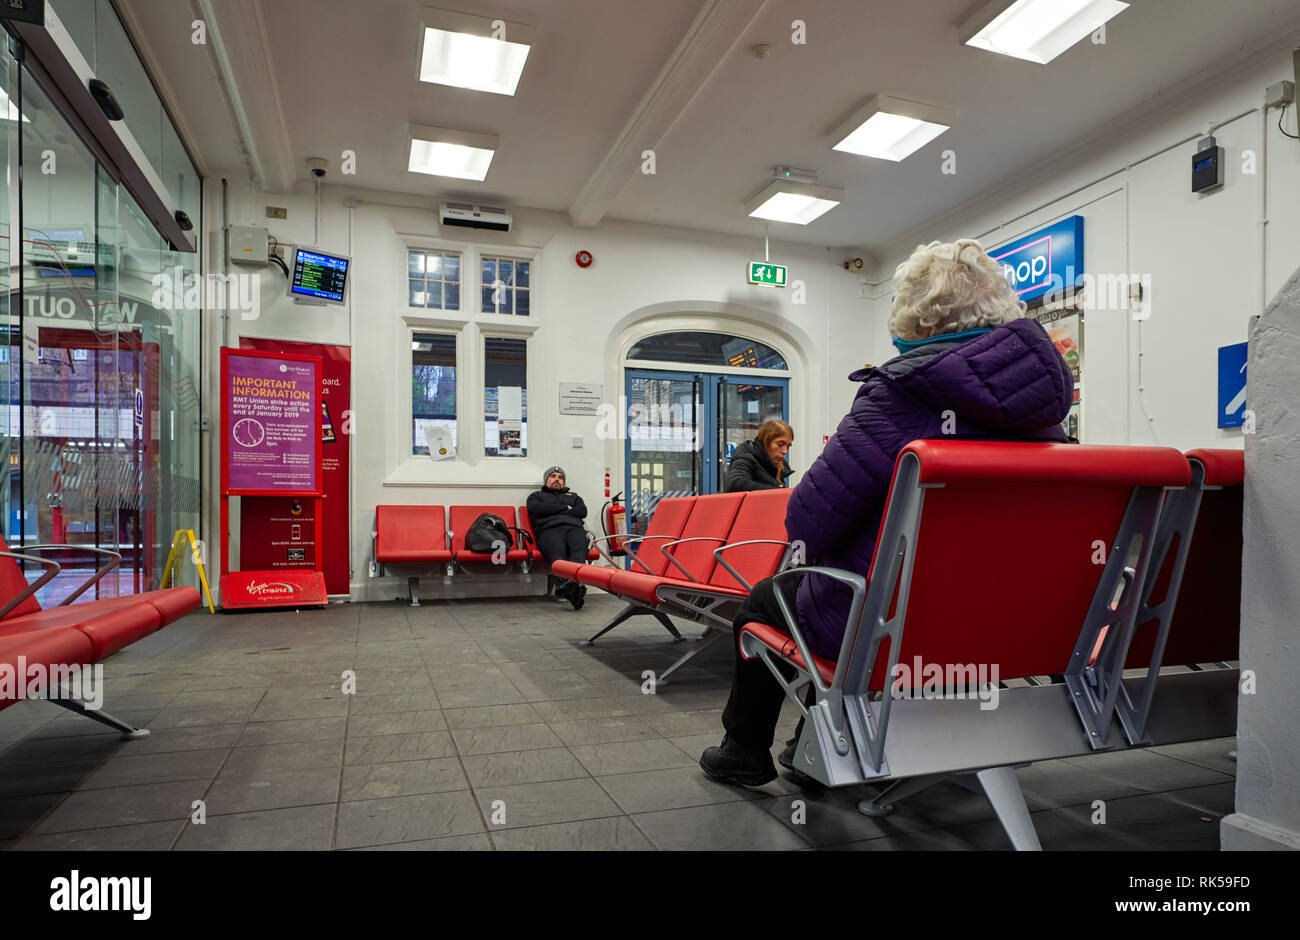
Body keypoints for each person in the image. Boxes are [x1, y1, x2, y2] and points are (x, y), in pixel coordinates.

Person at [700, 238, 1075, 786]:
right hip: (1009, 620)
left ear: (915, 321)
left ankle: (744, 749)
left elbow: (809, 518)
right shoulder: (1045, 414)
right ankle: (812, 750)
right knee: (831, 594)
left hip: (899, 621)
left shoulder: (900, 394)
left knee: (771, 599)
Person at [527, 466, 590, 609]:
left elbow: (582, 511)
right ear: (546, 480)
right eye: (553, 476)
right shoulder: (536, 496)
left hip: (575, 529)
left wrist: (551, 512)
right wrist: (564, 508)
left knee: (579, 551)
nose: (557, 479)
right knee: (557, 554)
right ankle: (570, 588)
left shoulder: (574, 496)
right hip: (549, 530)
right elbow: (535, 508)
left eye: (560, 477)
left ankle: (570, 587)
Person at [724, 419, 794, 492]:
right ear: (766, 441)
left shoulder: (777, 467)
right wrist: (776, 494)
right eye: (780, 445)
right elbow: (735, 483)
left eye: (788, 447)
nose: (785, 451)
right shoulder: (746, 456)